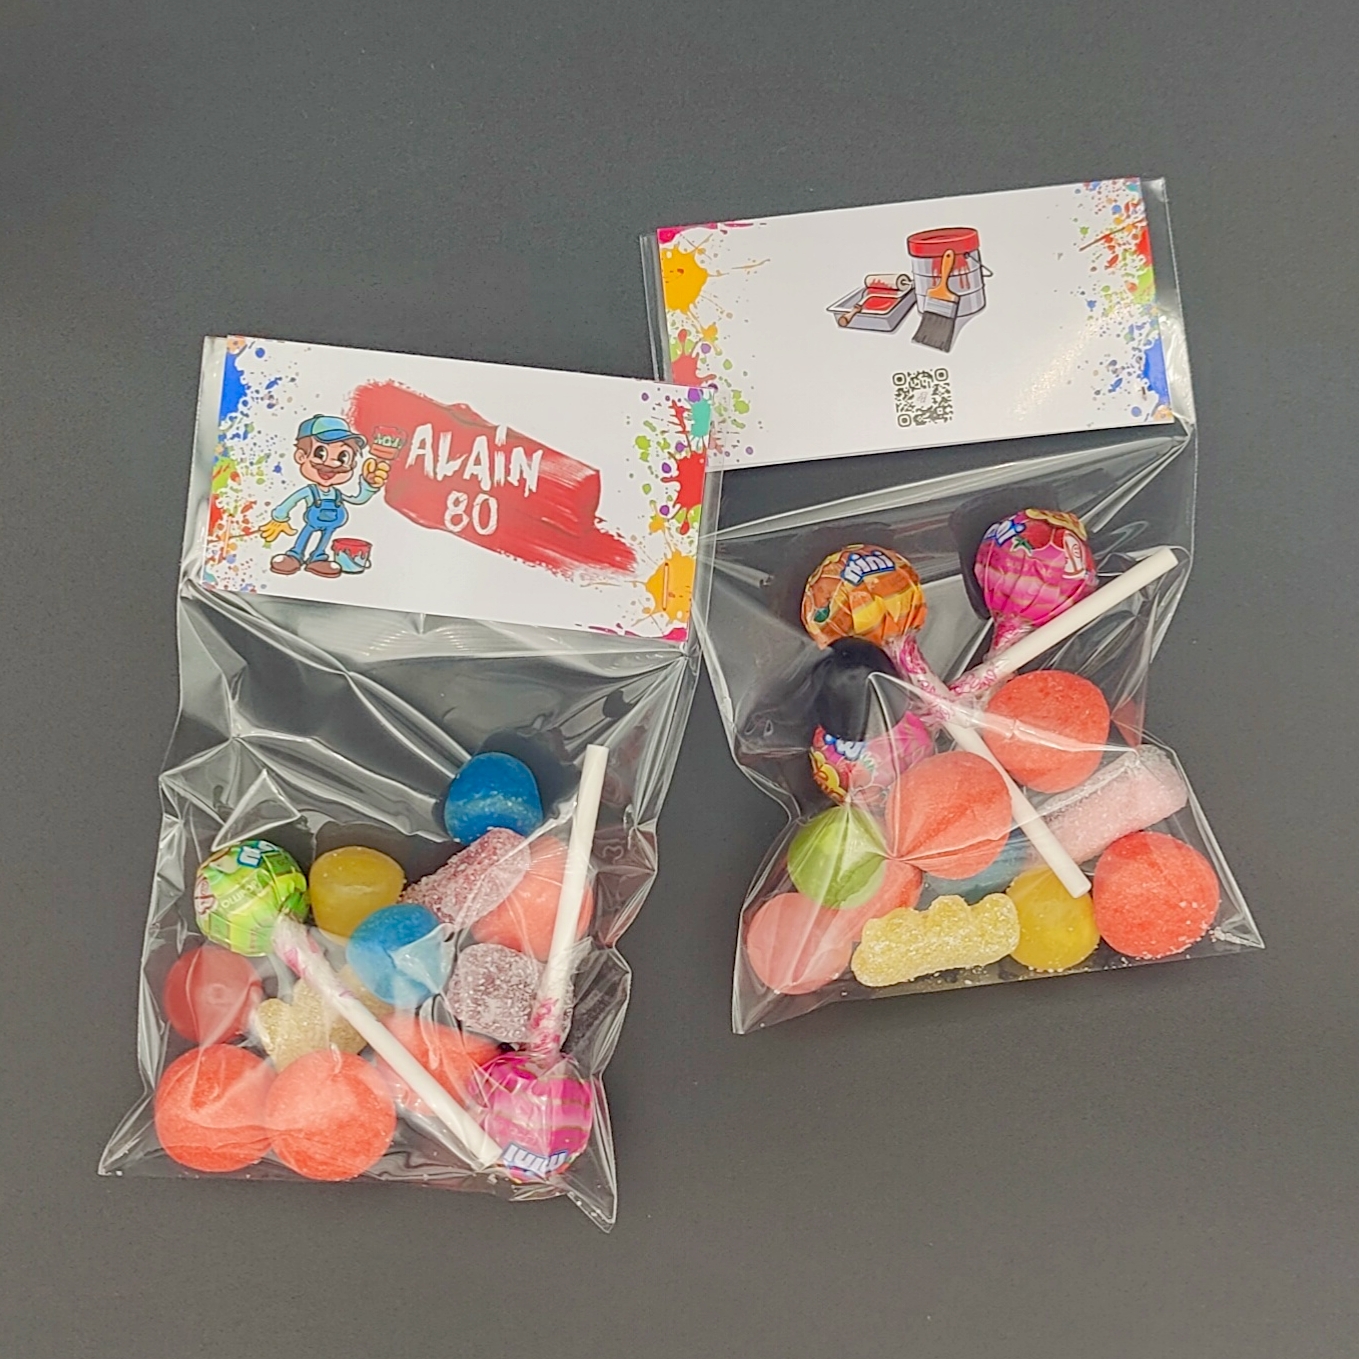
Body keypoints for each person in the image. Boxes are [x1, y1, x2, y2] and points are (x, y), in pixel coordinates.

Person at [259, 415, 388, 577]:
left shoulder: (337, 493)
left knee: (325, 538)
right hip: (313, 521)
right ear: (301, 456)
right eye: (320, 453)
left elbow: (358, 499)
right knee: (305, 534)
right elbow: (291, 501)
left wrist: (369, 485)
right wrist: (279, 518)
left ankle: (318, 558)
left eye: (343, 457)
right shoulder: (310, 491)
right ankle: (294, 556)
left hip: (331, 524)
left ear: (353, 463)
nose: (333, 464)